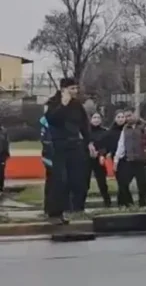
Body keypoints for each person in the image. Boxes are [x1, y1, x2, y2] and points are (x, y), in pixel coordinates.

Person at [44, 77, 95, 224]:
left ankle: (69, 209)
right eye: (72, 88)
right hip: (57, 146)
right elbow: (53, 120)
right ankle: (54, 213)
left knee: (76, 179)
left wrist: (89, 142)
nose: (75, 91)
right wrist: (63, 105)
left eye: (76, 88)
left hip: (74, 145)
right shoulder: (53, 102)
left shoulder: (77, 105)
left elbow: (84, 125)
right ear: (63, 89)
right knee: (59, 180)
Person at [114, 108, 146, 207]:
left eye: (129, 115)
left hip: (142, 160)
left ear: (135, 114)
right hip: (129, 160)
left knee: (142, 184)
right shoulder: (125, 129)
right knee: (123, 183)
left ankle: (142, 203)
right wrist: (116, 159)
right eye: (126, 116)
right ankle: (129, 203)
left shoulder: (144, 126)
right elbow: (121, 144)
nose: (128, 118)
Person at [84, 112, 111, 208]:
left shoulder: (105, 132)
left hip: (99, 159)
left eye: (98, 117)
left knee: (102, 182)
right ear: (90, 119)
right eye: (94, 117)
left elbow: (107, 146)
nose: (96, 119)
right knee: (84, 183)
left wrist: (101, 154)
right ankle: (80, 204)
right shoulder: (86, 132)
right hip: (87, 159)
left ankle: (108, 203)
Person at [104, 111, 127, 206]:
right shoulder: (111, 132)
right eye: (119, 117)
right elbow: (108, 145)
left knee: (125, 181)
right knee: (121, 182)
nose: (121, 119)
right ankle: (122, 203)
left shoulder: (128, 129)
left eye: (122, 117)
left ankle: (126, 202)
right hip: (117, 159)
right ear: (115, 118)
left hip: (128, 158)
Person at [40, 114, 54, 216]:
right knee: (51, 183)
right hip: (50, 158)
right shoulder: (46, 125)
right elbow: (45, 141)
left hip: (55, 157)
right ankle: (48, 208)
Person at [0, 122, 9, 196]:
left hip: (1, 154)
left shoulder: (4, 131)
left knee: (1, 171)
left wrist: (7, 153)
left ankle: (1, 187)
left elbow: (6, 143)